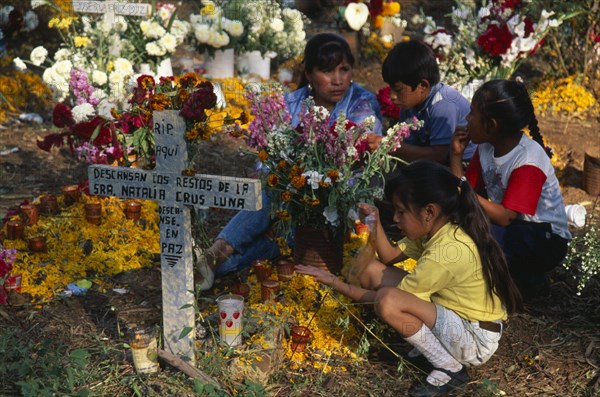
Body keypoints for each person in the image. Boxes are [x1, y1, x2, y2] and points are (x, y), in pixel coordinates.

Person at [296, 160, 522, 397]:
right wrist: (374, 221)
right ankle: (430, 349)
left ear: (429, 212)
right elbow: (390, 256)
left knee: (388, 302)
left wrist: (333, 281)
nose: (395, 218)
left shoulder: (447, 251)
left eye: (400, 211)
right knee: (371, 270)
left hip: (474, 339)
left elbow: (387, 300)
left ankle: (451, 368)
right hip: (456, 316)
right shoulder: (438, 228)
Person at [195, 33, 383, 290]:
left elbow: (357, 161)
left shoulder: (361, 104)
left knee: (273, 235)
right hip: (289, 201)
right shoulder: (290, 104)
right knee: (271, 186)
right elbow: (267, 160)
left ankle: (217, 254)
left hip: (337, 205)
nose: (338, 80)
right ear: (308, 73)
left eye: (344, 69)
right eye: (327, 71)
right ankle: (218, 253)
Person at [450, 79, 572, 300]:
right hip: (513, 228)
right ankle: (515, 277)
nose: (467, 119)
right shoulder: (487, 147)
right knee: (459, 221)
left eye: (472, 114)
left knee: (472, 233)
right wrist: (456, 157)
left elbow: (506, 216)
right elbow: (467, 188)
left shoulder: (528, 159)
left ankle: (524, 281)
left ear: (491, 125)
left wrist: (462, 193)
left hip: (544, 239)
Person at [368, 39, 476, 165]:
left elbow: (439, 156)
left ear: (423, 85)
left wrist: (389, 145)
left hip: (465, 166)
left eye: (398, 90)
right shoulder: (409, 103)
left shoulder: (442, 106)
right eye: (391, 88)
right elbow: (410, 146)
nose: (392, 96)